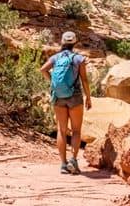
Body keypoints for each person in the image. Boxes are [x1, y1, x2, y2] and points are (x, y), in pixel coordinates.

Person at [40, 31, 92, 175]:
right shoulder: (78, 59)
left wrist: (53, 83)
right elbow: (84, 80)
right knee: (76, 130)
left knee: (61, 131)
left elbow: (43, 69)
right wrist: (88, 97)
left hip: (58, 96)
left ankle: (63, 165)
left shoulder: (55, 58)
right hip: (74, 96)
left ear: (62, 42)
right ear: (75, 43)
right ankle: (73, 161)